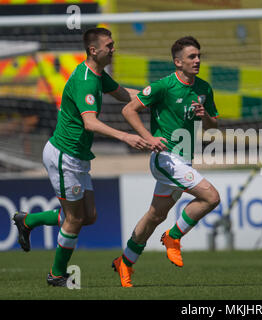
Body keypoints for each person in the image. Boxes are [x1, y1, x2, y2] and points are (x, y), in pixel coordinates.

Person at [12, 27, 151, 287]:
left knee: (89, 216)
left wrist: (155, 95)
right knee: (75, 219)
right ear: (93, 50)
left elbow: (123, 94)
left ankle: (28, 221)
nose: (113, 49)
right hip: (65, 156)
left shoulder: (98, 75)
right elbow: (90, 123)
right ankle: (56, 275)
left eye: (113, 44)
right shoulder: (86, 79)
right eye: (109, 45)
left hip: (77, 156)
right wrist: (127, 136)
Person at [112, 36, 221, 287]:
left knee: (154, 216)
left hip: (184, 161)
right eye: (192, 57)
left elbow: (214, 124)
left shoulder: (203, 88)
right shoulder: (163, 86)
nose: (197, 60)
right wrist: (149, 138)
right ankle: (173, 237)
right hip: (165, 159)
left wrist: (205, 117)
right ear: (177, 62)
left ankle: (125, 262)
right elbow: (128, 110)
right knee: (211, 197)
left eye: (199, 56)